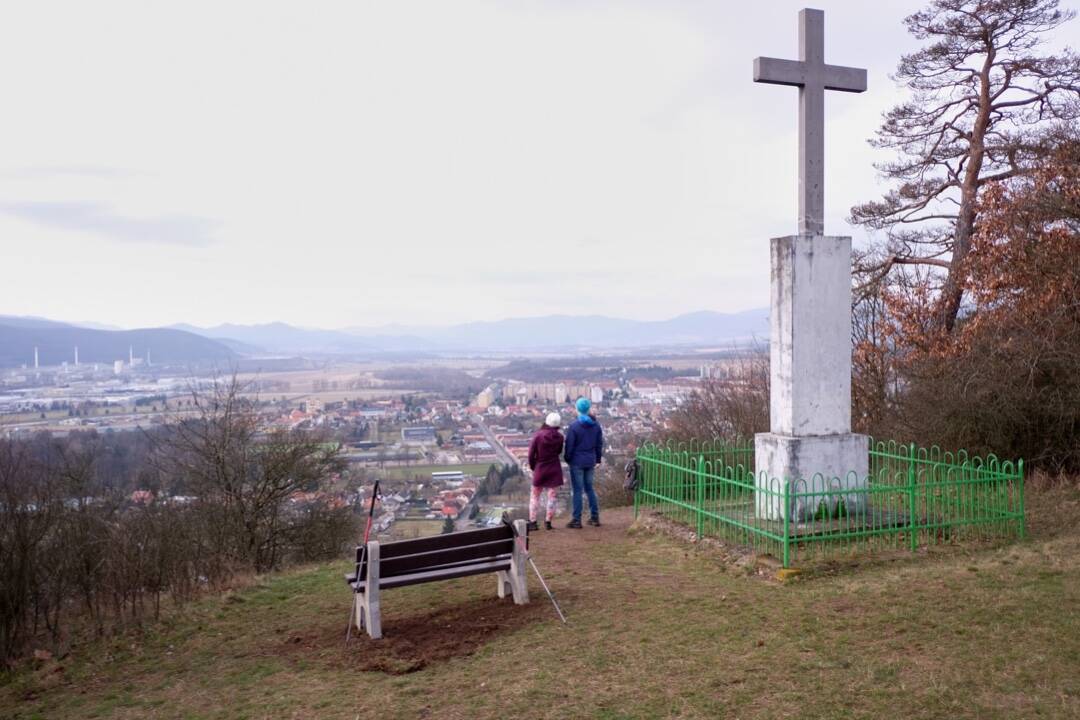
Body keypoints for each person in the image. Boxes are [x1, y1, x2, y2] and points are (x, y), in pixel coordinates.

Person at [563, 397, 603, 528]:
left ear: (577, 409)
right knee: (590, 489)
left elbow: (569, 446)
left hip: (577, 462)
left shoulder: (574, 426)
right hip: (590, 460)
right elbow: (599, 444)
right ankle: (595, 517)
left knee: (578, 490)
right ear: (588, 408)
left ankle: (576, 519)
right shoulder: (596, 425)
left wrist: (568, 459)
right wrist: (597, 459)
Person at [527, 412, 565, 531]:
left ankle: (533, 522)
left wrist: (534, 467)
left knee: (535, 497)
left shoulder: (538, 435)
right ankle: (548, 522)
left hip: (540, 468)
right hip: (554, 468)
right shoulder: (560, 437)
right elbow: (559, 452)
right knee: (552, 497)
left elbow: (530, 454)